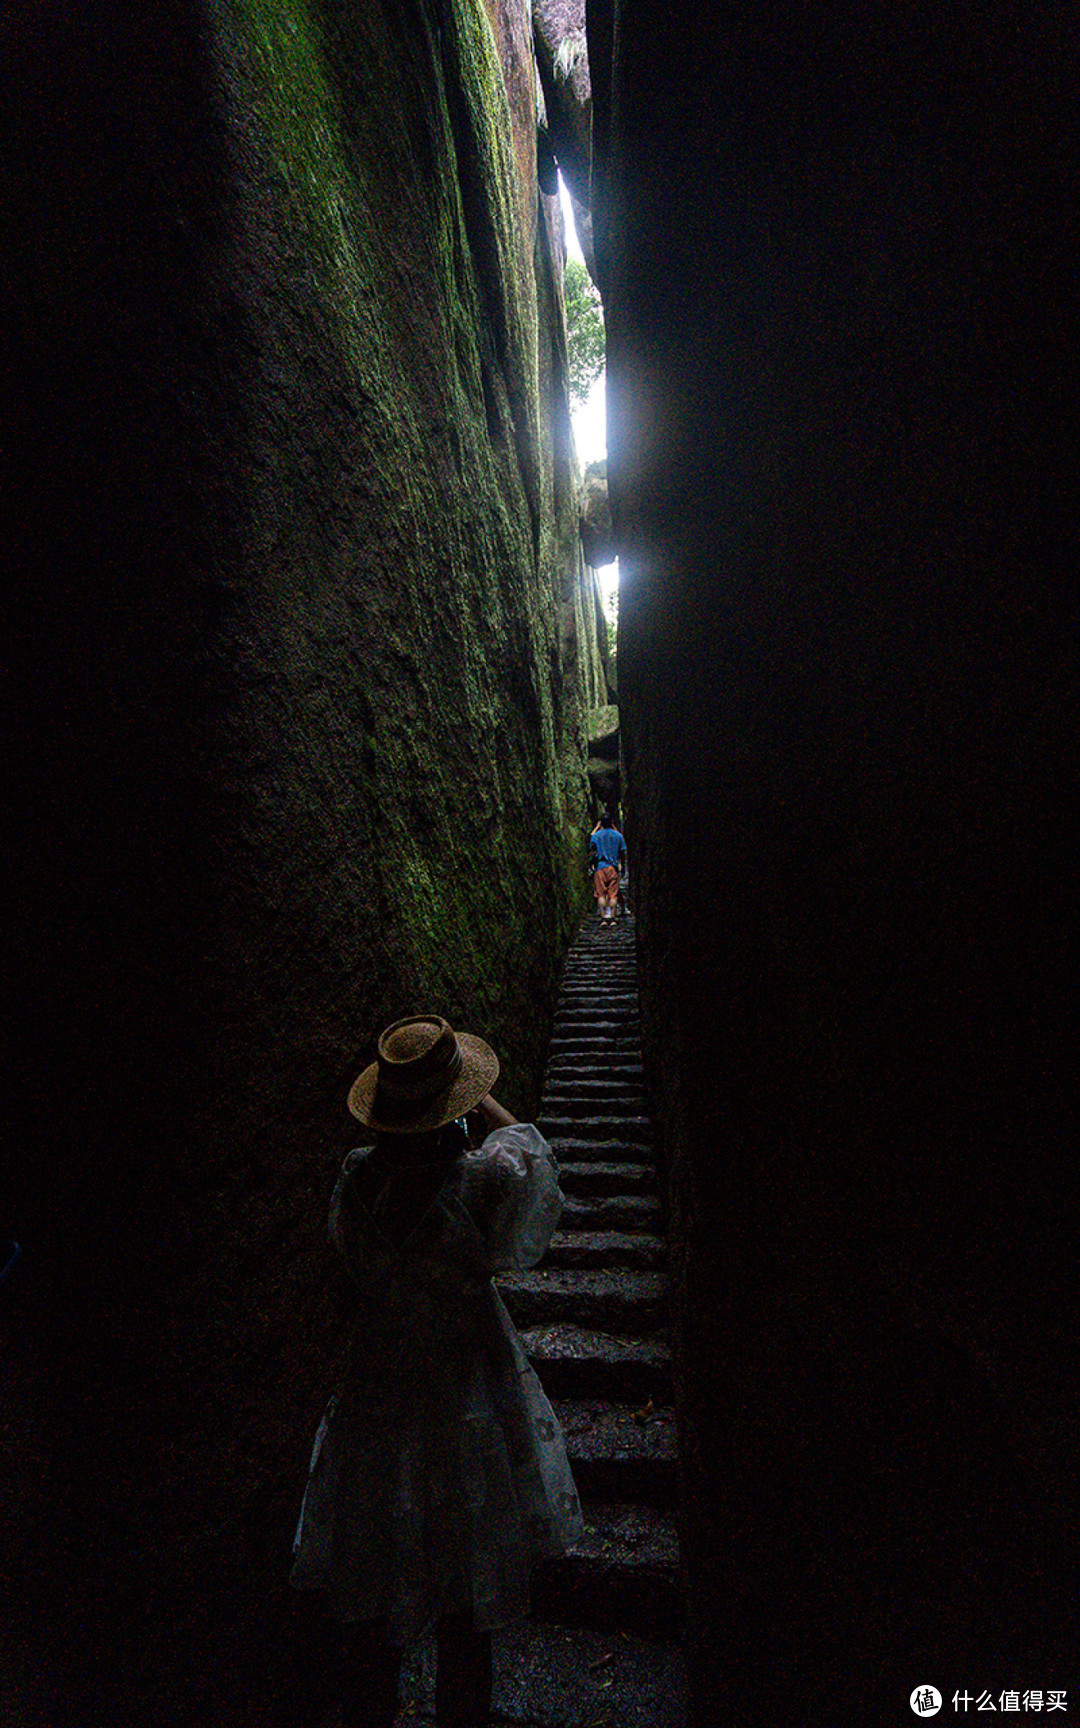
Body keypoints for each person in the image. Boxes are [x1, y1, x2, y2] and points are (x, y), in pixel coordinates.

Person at [291, 1015, 583, 1728]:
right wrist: (478, 1100)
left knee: (376, 1578)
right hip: (466, 1398)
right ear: (447, 1109)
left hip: (378, 1393)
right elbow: (536, 1158)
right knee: (467, 1592)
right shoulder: (480, 1180)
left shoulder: (357, 1181)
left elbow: (346, 1263)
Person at [588, 814, 627, 922]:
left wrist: (597, 827)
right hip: (613, 867)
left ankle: (604, 918)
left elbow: (591, 846)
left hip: (600, 867)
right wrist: (622, 867)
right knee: (613, 895)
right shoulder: (618, 836)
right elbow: (623, 852)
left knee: (601, 895)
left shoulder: (596, 836)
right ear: (612, 823)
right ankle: (613, 919)